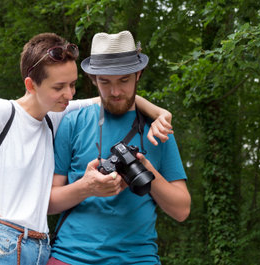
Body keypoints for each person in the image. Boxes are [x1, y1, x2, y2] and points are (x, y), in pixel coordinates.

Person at [0, 32, 173, 265]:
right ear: (31, 85)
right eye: (59, 87)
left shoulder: (52, 117)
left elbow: (110, 97)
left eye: (73, 84)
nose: (70, 94)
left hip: (38, 247)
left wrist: (161, 113)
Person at [47, 30, 191, 265]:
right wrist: (86, 187)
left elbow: (182, 210)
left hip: (137, 259)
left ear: (138, 74)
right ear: (94, 79)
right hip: (70, 257)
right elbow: (48, 203)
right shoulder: (73, 122)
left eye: (124, 80)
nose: (115, 92)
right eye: (105, 82)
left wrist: (145, 169)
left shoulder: (158, 130)